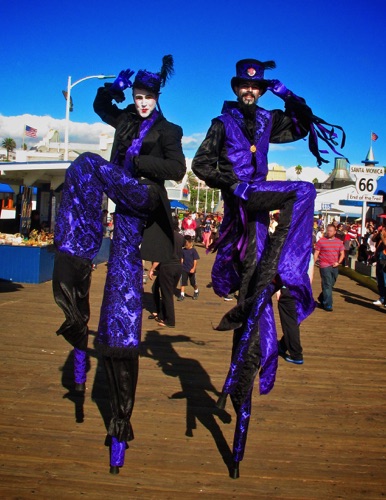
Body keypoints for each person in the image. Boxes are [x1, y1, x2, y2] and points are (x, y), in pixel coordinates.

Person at [192, 58, 345, 478]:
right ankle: (276, 278)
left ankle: (282, 268)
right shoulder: (221, 122)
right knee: (300, 191)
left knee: (301, 194)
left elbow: (301, 125)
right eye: (245, 86)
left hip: (260, 214)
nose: (250, 92)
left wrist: (289, 95)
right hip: (239, 208)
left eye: (256, 88)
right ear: (237, 87)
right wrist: (231, 182)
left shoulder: (266, 119)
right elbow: (200, 165)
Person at [53, 55, 186, 474]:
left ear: (158, 97)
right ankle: (118, 423)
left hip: (144, 196)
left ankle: (84, 253)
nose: (142, 103)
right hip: (125, 218)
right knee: (120, 307)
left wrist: (134, 161)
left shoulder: (168, 130)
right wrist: (111, 88)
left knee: (91, 163)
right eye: (137, 97)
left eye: (148, 98)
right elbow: (99, 108)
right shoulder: (125, 118)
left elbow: (176, 169)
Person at [148, 216, 184, 327]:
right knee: (169, 292)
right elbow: (181, 254)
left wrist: (152, 269)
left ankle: (170, 320)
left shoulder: (164, 237)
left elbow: (160, 256)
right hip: (178, 266)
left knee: (166, 294)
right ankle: (162, 316)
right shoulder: (180, 237)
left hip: (167, 266)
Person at [314, 223, 345, 311]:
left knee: (331, 284)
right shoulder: (321, 241)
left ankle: (322, 297)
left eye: (331, 231)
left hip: (334, 266)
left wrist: (338, 262)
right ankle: (328, 304)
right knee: (327, 284)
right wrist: (313, 263)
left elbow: (342, 254)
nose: (329, 232)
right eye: (328, 231)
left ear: (335, 232)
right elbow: (316, 253)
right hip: (324, 265)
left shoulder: (339, 242)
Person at [178, 235, 200, 300]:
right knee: (183, 282)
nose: (186, 246)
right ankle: (182, 294)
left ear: (190, 243)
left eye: (187, 245)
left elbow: (195, 260)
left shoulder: (193, 250)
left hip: (191, 269)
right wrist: (180, 266)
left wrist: (193, 268)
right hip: (184, 268)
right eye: (184, 245)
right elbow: (181, 259)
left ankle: (196, 290)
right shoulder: (183, 250)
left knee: (193, 283)